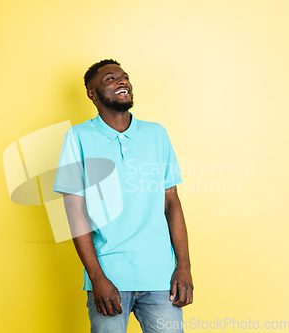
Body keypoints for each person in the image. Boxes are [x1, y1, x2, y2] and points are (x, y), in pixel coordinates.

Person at [53, 59, 193, 332]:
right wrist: (96, 277)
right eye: (110, 79)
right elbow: (74, 213)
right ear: (91, 94)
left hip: (161, 278)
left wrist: (184, 267)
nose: (122, 81)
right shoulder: (78, 137)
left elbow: (172, 202)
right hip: (109, 277)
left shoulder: (156, 134)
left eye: (124, 77)